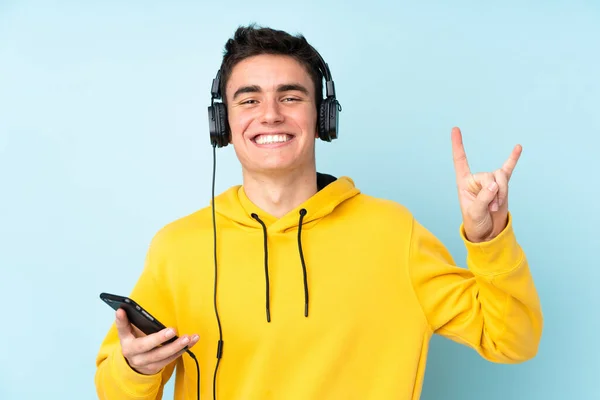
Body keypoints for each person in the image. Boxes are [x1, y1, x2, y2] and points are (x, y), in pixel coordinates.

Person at [94, 24, 543, 400]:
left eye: (290, 97)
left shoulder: (392, 232)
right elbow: (113, 391)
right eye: (248, 100)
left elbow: (513, 340)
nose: (269, 114)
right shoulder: (179, 247)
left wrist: (489, 237)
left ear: (323, 117)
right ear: (223, 124)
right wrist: (135, 368)